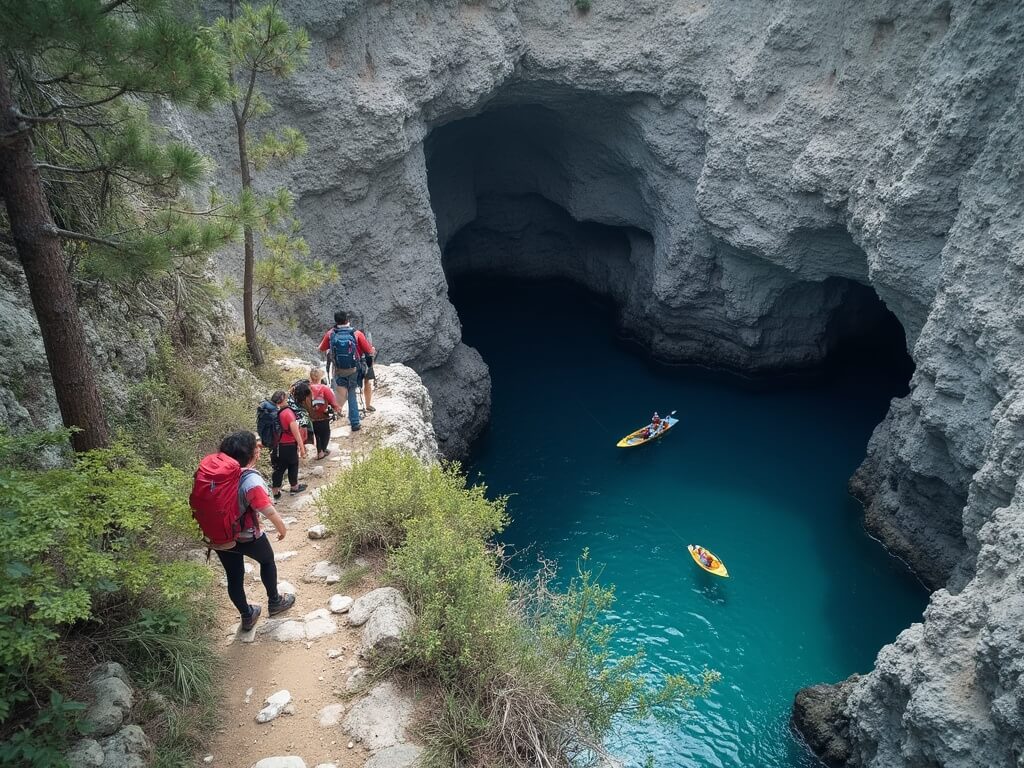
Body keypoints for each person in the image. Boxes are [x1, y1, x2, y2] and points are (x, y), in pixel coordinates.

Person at [214, 431, 296, 631]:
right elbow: (266, 509)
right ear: (249, 455)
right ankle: (275, 602)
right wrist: (282, 528)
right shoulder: (250, 480)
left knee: (234, 576)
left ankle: (247, 615)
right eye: (255, 447)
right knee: (267, 560)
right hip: (247, 536)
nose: (258, 450)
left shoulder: (214, 475)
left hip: (220, 536)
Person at [318, 310, 375, 432]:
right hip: (354, 369)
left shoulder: (331, 333)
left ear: (336, 321)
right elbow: (369, 351)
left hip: (338, 369)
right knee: (351, 393)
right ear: (347, 320)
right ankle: (354, 422)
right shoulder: (356, 333)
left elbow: (322, 348)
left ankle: (332, 414)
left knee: (340, 393)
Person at [270, 389, 307, 499]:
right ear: (283, 399)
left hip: (279, 445)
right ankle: (294, 487)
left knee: (279, 468)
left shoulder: (276, 412)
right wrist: (302, 448)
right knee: (293, 465)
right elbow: (296, 433)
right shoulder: (288, 413)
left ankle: (276, 491)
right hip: (289, 444)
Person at [307, 367, 339, 459]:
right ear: (320, 377)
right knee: (325, 433)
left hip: (312, 416)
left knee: (317, 434)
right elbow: (332, 401)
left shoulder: (307, 388)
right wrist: (337, 408)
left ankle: (319, 451)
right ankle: (322, 451)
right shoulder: (324, 388)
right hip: (323, 415)